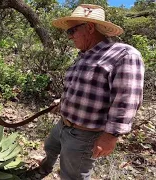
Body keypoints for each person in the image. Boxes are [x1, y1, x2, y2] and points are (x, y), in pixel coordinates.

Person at [37, 4, 145, 180]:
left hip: (84, 135)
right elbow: (82, 89)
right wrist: (62, 102)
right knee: (50, 148)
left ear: (89, 27)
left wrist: (111, 136)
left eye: (71, 31)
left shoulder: (124, 54)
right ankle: (43, 169)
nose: (69, 37)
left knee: (73, 175)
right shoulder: (84, 55)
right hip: (63, 124)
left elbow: (126, 99)